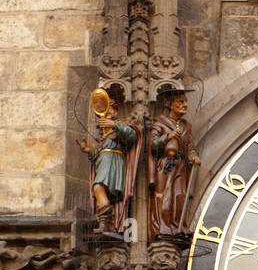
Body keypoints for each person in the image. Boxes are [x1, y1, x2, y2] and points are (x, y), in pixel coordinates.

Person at [77, 97, 139, 236]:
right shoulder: (104, 138)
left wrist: (114, 124)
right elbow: (98, 156)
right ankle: (106, 223)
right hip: (104, 163)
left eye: (108, 109)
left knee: (98, 186)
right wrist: (89, 151)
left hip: (113, 162)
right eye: (102, 112)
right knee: (98, 188)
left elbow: (132, 136)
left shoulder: (119, 128)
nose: (105, 114)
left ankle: (107, 220)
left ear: (115, 110)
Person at [147, 90, 200, 240]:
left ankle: (179, 226)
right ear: (169, 104)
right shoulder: (160, 123)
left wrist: (193, 156)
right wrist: (167, 137)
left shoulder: (186, 126)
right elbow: (152, 146)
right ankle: (164, 226)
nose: (185, 105)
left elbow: (189, 146)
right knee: (166, 194)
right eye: (180, 102)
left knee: (179, 195)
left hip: (181, 165)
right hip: (165, 165)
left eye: (185, 102)